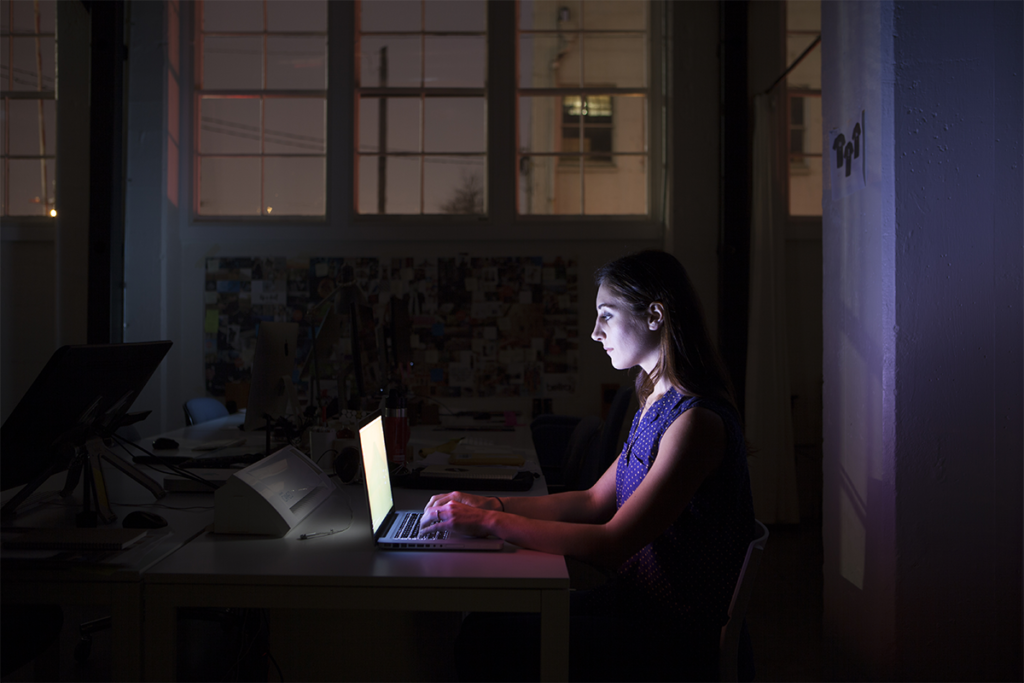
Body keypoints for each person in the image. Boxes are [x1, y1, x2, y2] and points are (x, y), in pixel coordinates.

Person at [420, 250, 755, 681]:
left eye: (606, 315)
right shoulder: (655, 403)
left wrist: (487, 522)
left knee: (485, 638)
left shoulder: (695, 423)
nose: (595, 332)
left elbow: (613, 542)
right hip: (634, 604)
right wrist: (489, 504)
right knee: (484, 625)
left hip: (673, 634)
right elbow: (594, 499)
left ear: (655, 315)